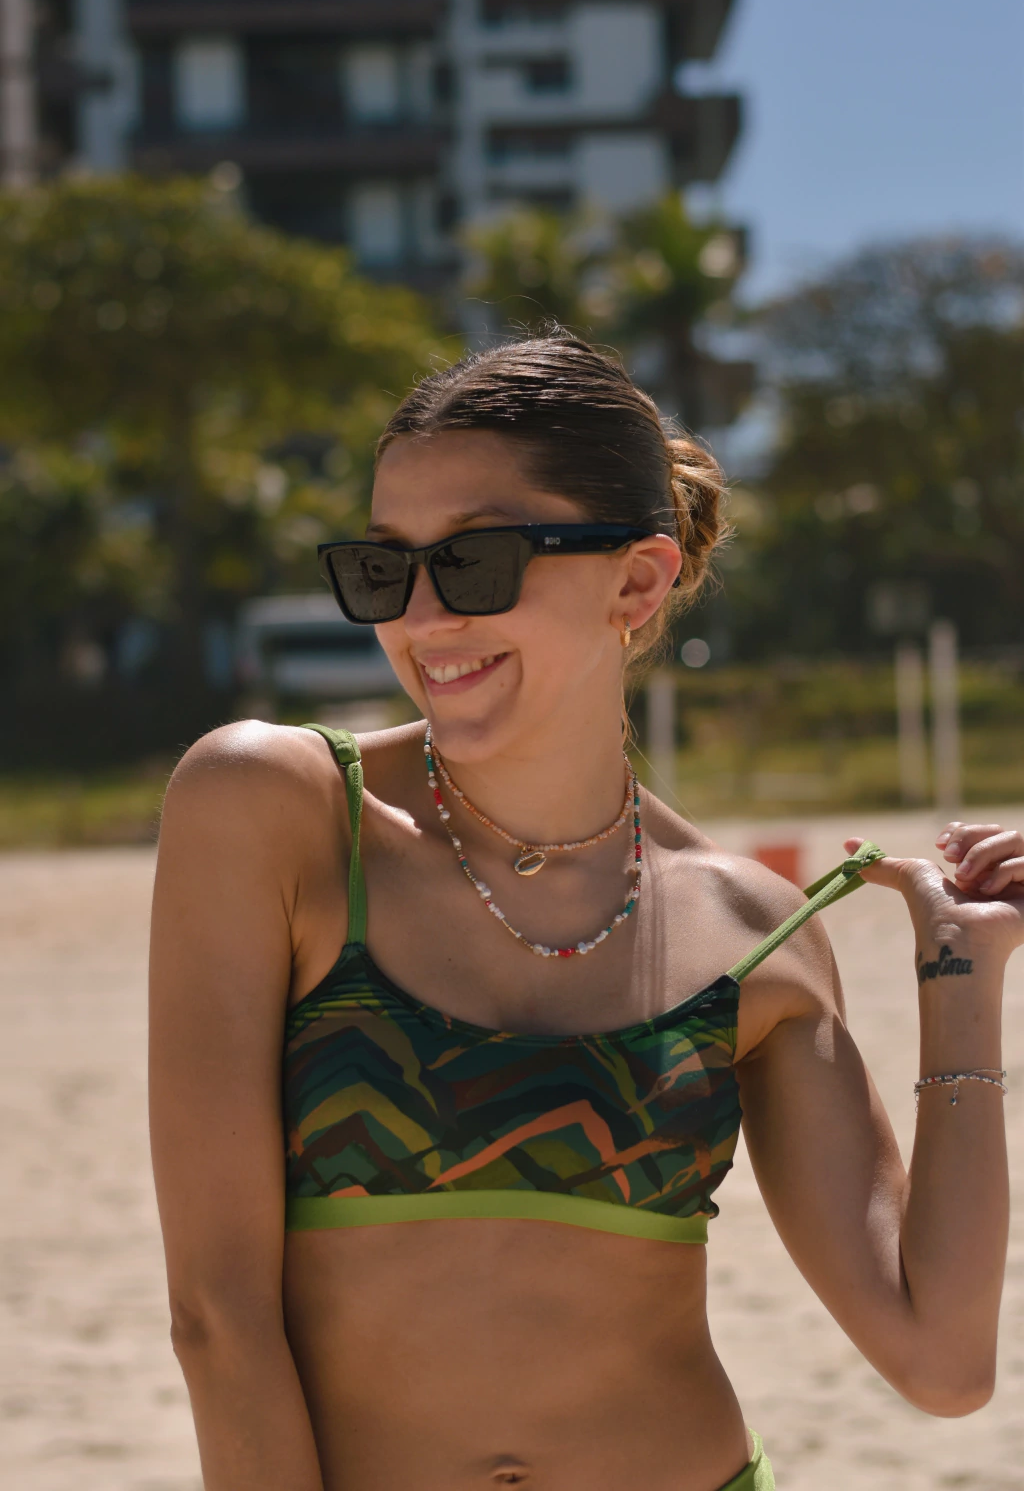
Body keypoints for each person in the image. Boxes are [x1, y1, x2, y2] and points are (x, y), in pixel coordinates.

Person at [150, 335, 1022, 1491]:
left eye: (474, 562)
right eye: (383, 568)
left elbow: (939, 1359)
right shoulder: (278, 812)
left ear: (637, 582)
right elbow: (216, 1316)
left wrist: (962, 978)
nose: (420, 616)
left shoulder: (750, 927)